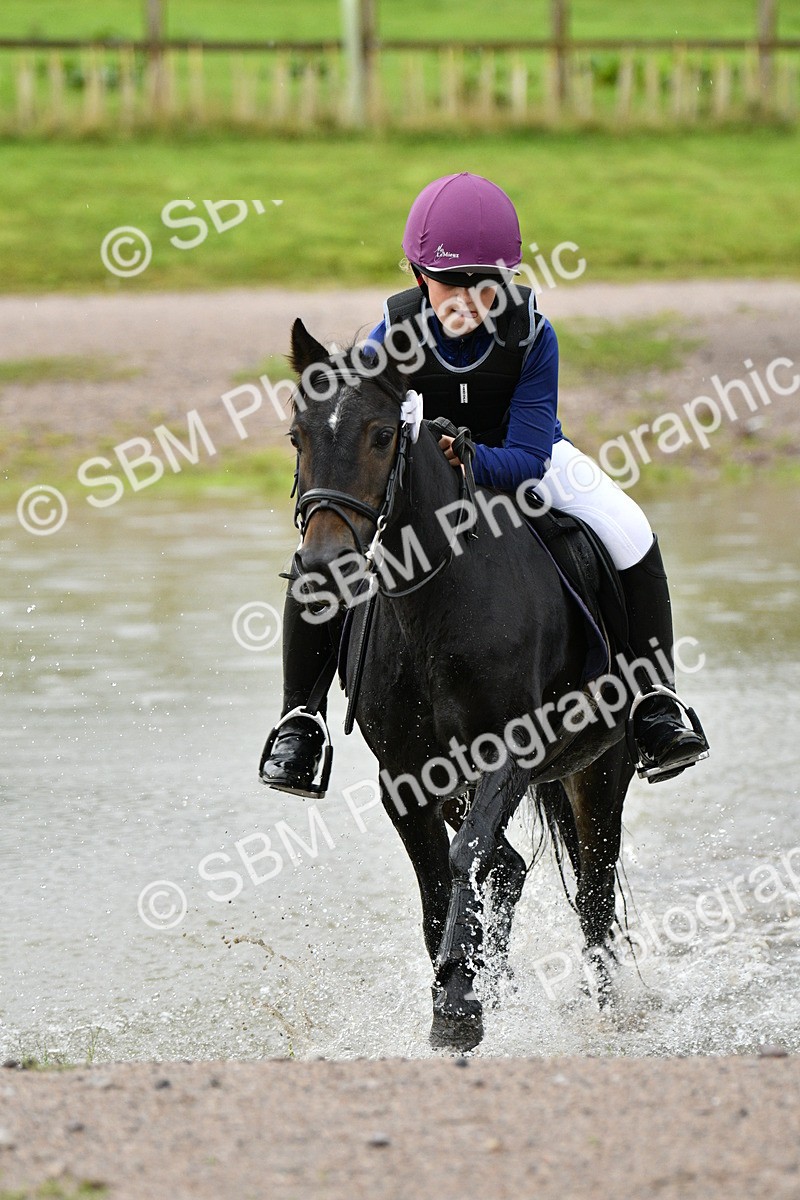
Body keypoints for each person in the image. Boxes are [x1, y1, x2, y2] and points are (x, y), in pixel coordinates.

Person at [259, 172, 708, 796]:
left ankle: (654, 701)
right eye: (452, 282)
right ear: (421, 276)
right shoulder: (395, 337)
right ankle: (302, 719)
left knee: (630, 528)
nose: (468, 297)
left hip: (526, 457)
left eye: (485, 283)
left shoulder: (533, 337)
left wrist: (464, 460)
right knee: (320, 556)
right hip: (421, 479)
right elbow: (353, 416)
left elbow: (525, 456)